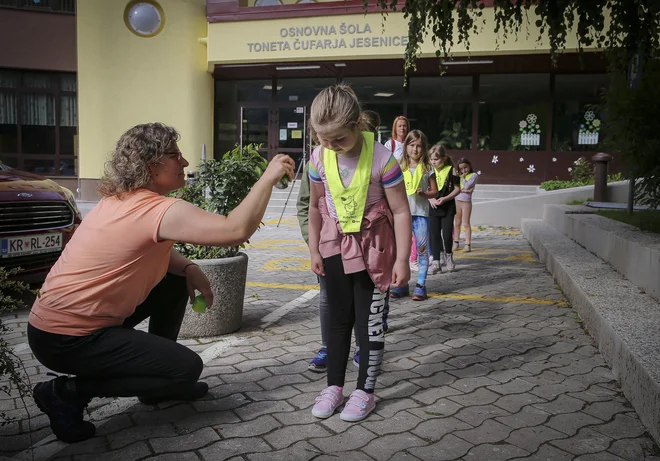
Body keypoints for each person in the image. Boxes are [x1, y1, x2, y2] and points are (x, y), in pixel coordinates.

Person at [27, 122, 294, 443]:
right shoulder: (155, 208)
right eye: (175, 155)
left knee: (171, 281)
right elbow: (234, 230)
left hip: (50, 330)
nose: (184, 163)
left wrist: (190, 267)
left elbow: (144, 248)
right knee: (187, 368)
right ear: (151, 165)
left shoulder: (120, 201)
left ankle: (156, 385)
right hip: (69, 339)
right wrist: (268, 176)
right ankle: (65, 392)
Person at [307, 84, 411, 422]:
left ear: (356, 124)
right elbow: (315, 206)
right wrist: (314, 249)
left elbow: (400, 211)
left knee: (369, 326)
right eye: (324, 139)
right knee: (337, 323)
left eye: (339, 138)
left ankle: (365, 391)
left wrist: (401, 260)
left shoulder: (384, 158)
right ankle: (334, 387)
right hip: (334, 249)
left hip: (374, 253)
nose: (332, 146)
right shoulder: (318, 157)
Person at [390, 130, 437, 301]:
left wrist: (425, 194)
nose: (415, 149)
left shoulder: (427, 168)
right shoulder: (397, 166)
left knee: (422, 250)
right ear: (405, 146)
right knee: (400, 250)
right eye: (411, 145)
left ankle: (420, 285)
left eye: (419, 146)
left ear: (424, 148)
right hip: (401, 217)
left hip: (420, 215)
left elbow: (435, 191)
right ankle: (402, 285)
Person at [428, 144, 461, 274]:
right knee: (434, 235)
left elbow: (458, 189)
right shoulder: (429, 171)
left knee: (447, 235)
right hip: (433, 207)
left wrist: (446, 198)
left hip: (448, 207)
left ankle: (448, 256)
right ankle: (436, 261)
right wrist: (430, 199)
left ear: (443, 158)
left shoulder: (452, 170)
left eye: (436, 159)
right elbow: (425, 188)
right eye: (431, 159)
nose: (433, 162)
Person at [453, 157, 478, 252]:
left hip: (466, 202)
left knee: (466, 223)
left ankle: (468, 244)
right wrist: (466, 190)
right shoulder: (458, 175)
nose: (463, 170)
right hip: (457, 200)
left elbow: (467, 186)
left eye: (465, 167)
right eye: (461, 169)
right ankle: (456, 242)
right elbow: (457, 188)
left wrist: (463, 180)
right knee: (457, 223)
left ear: (469, 166)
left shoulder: (473, 175)